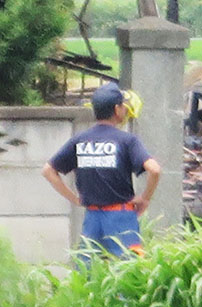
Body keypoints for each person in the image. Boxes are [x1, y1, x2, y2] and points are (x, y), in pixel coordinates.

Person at [41, 83, 160, 259]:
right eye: (123, 106)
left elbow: (48, 170)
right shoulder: (127, 140)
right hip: (121, 217)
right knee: (130, 273)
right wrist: (145, 199)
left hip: (92, 217)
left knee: (88, 274)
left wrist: (74, 198)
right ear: (116, 109)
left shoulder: (80, 140)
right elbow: (155, 170)